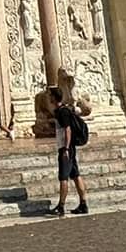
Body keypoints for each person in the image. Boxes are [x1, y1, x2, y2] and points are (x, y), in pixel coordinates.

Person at [50, 84, 89, 216]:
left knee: (63, 177)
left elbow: (67, 129)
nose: (49, 98)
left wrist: (65, 149)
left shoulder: (62, 112)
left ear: (54, 98)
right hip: (69, 147)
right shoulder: (63, 111)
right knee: (76, 175)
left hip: (66, 148)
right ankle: (83, 204)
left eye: (50, 96)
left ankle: (61, 206)